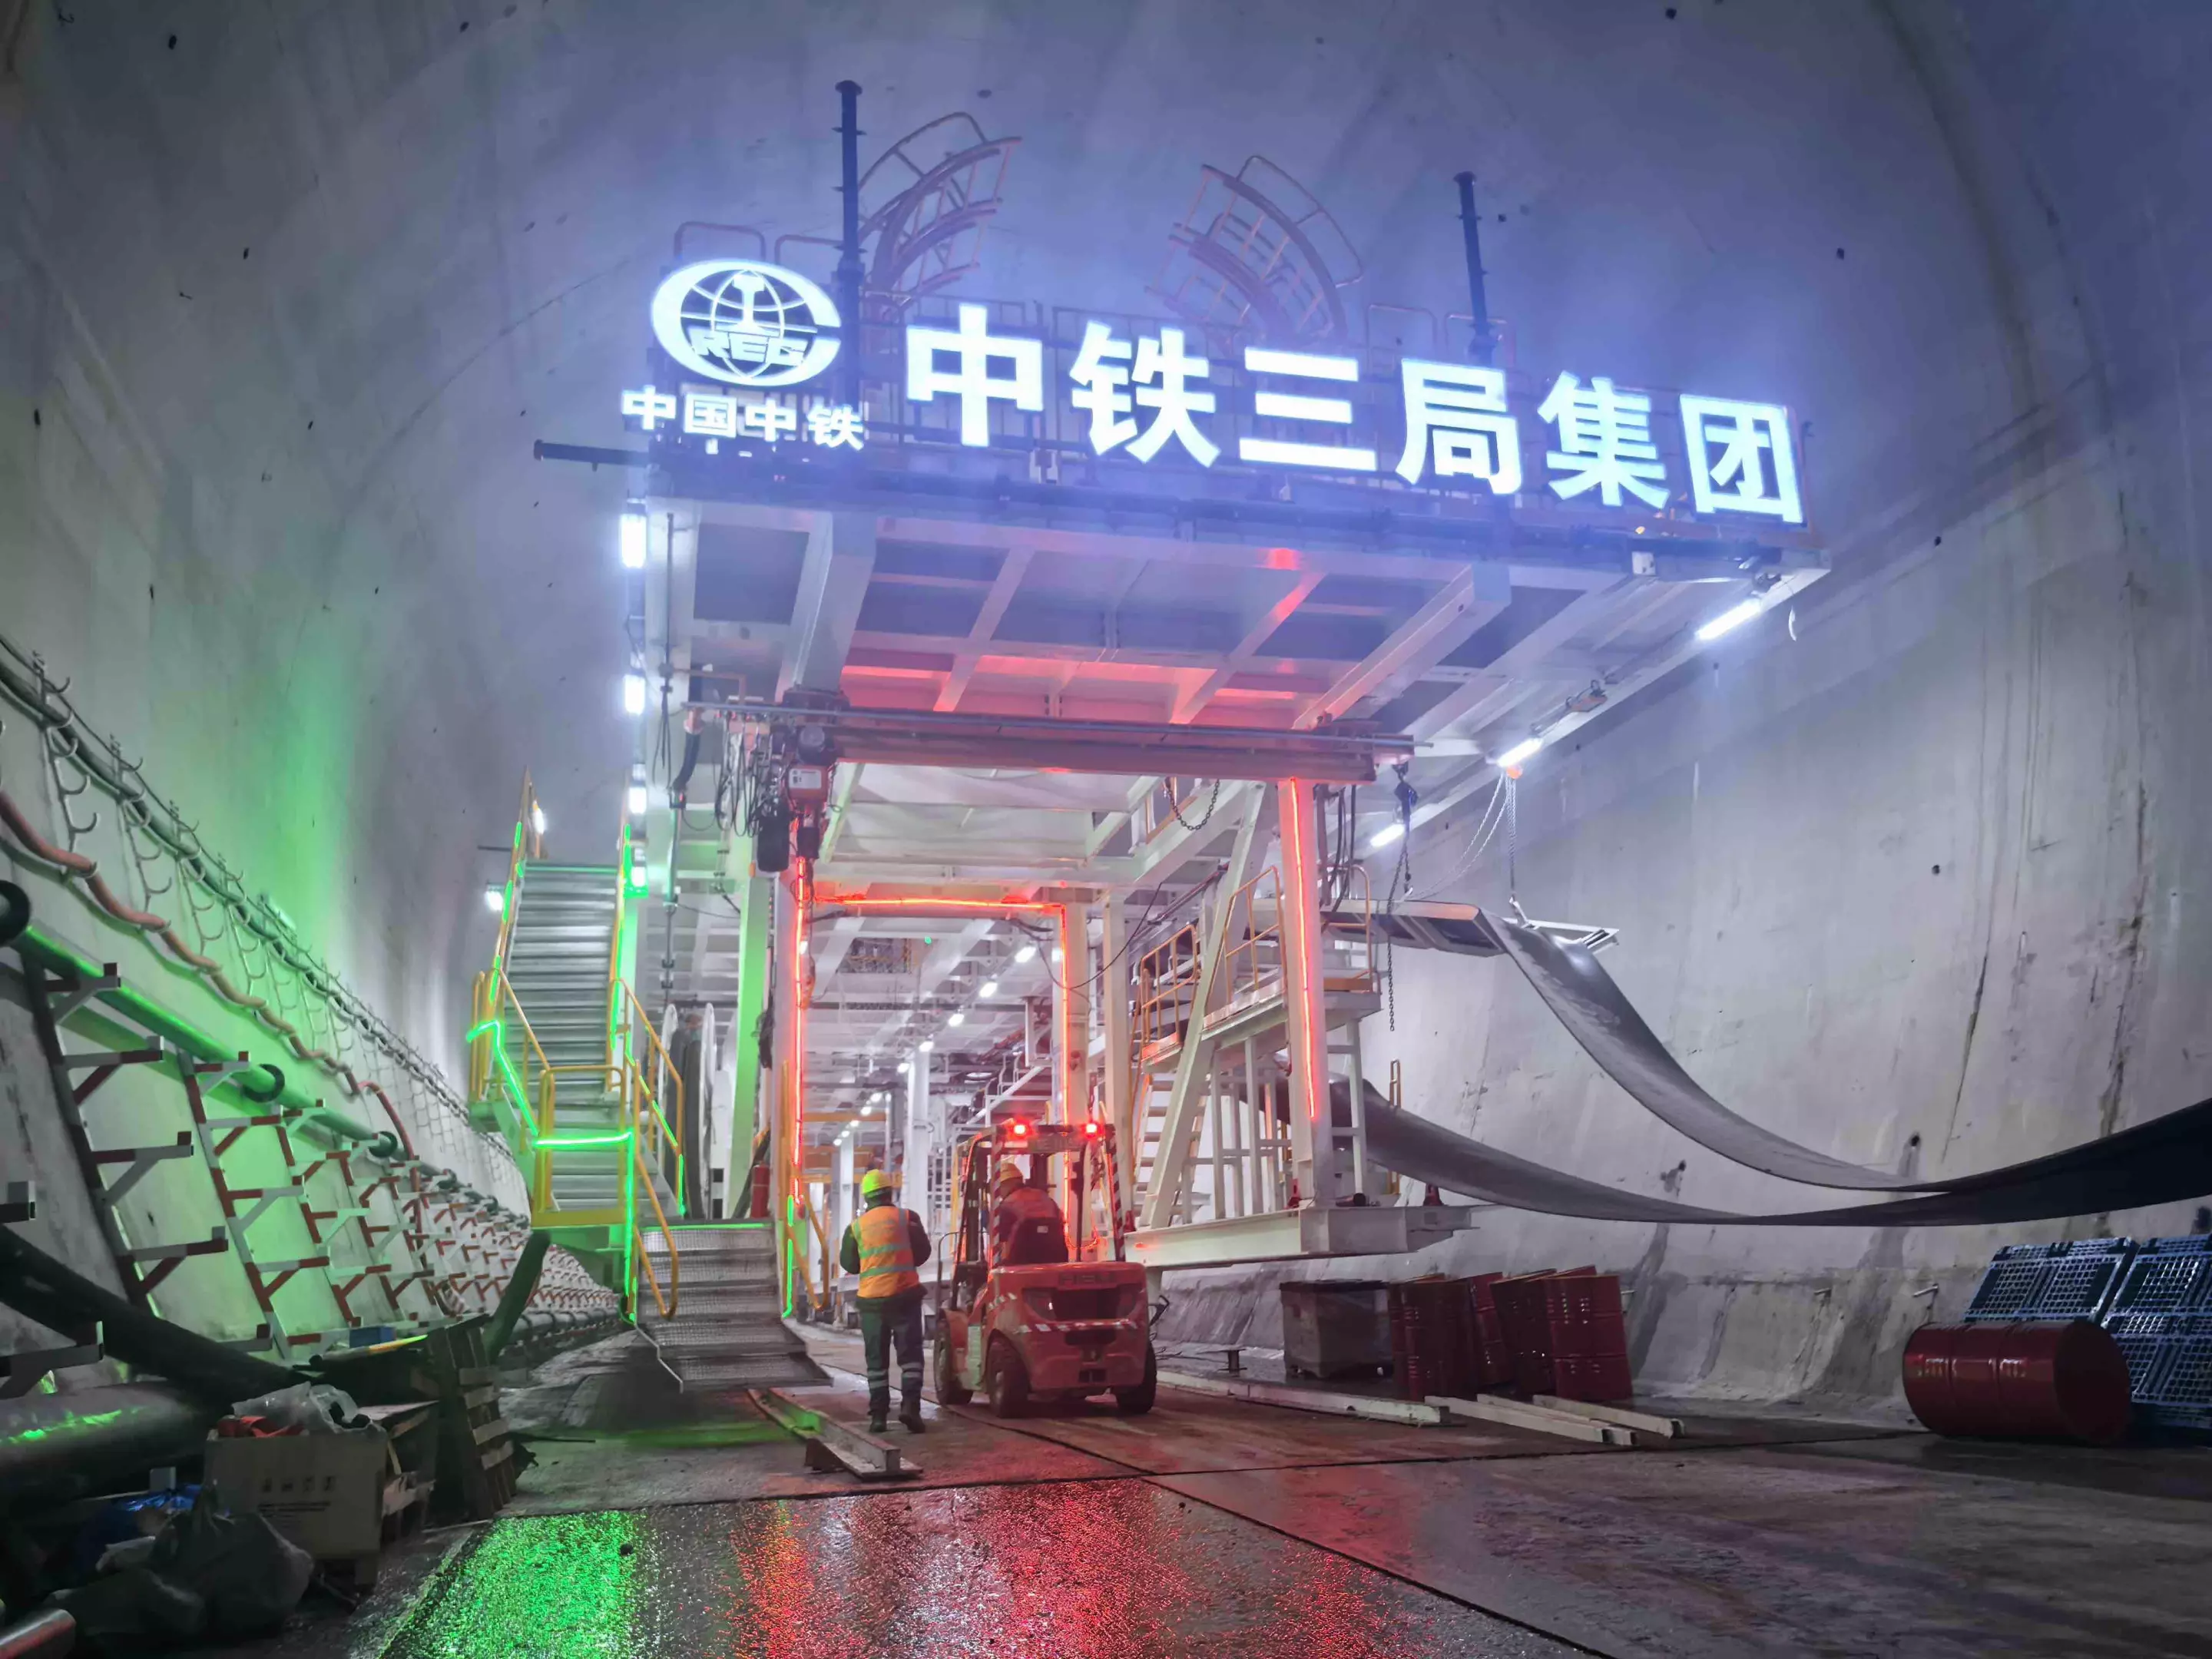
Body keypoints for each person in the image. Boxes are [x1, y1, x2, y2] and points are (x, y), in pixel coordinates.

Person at [838, 1167, 931, 1432]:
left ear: (867, 1197)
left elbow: (850, 1264)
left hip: (872, 1303)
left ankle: (879, 1417)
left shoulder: (855, 1228)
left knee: (877, 1362)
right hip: (905, 1298)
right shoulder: (907, 1218)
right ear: (890, 1192)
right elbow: (923, 1253)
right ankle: (911, 1408)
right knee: (911, 1357)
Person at [989, 1158, 1068, 1267]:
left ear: (1006, 1184)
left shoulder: (1008, 1205)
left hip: (1019, 1264)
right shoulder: (1044, 1197)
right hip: (1057, 1259)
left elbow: (998, 1238)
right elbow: (1061, 1221)